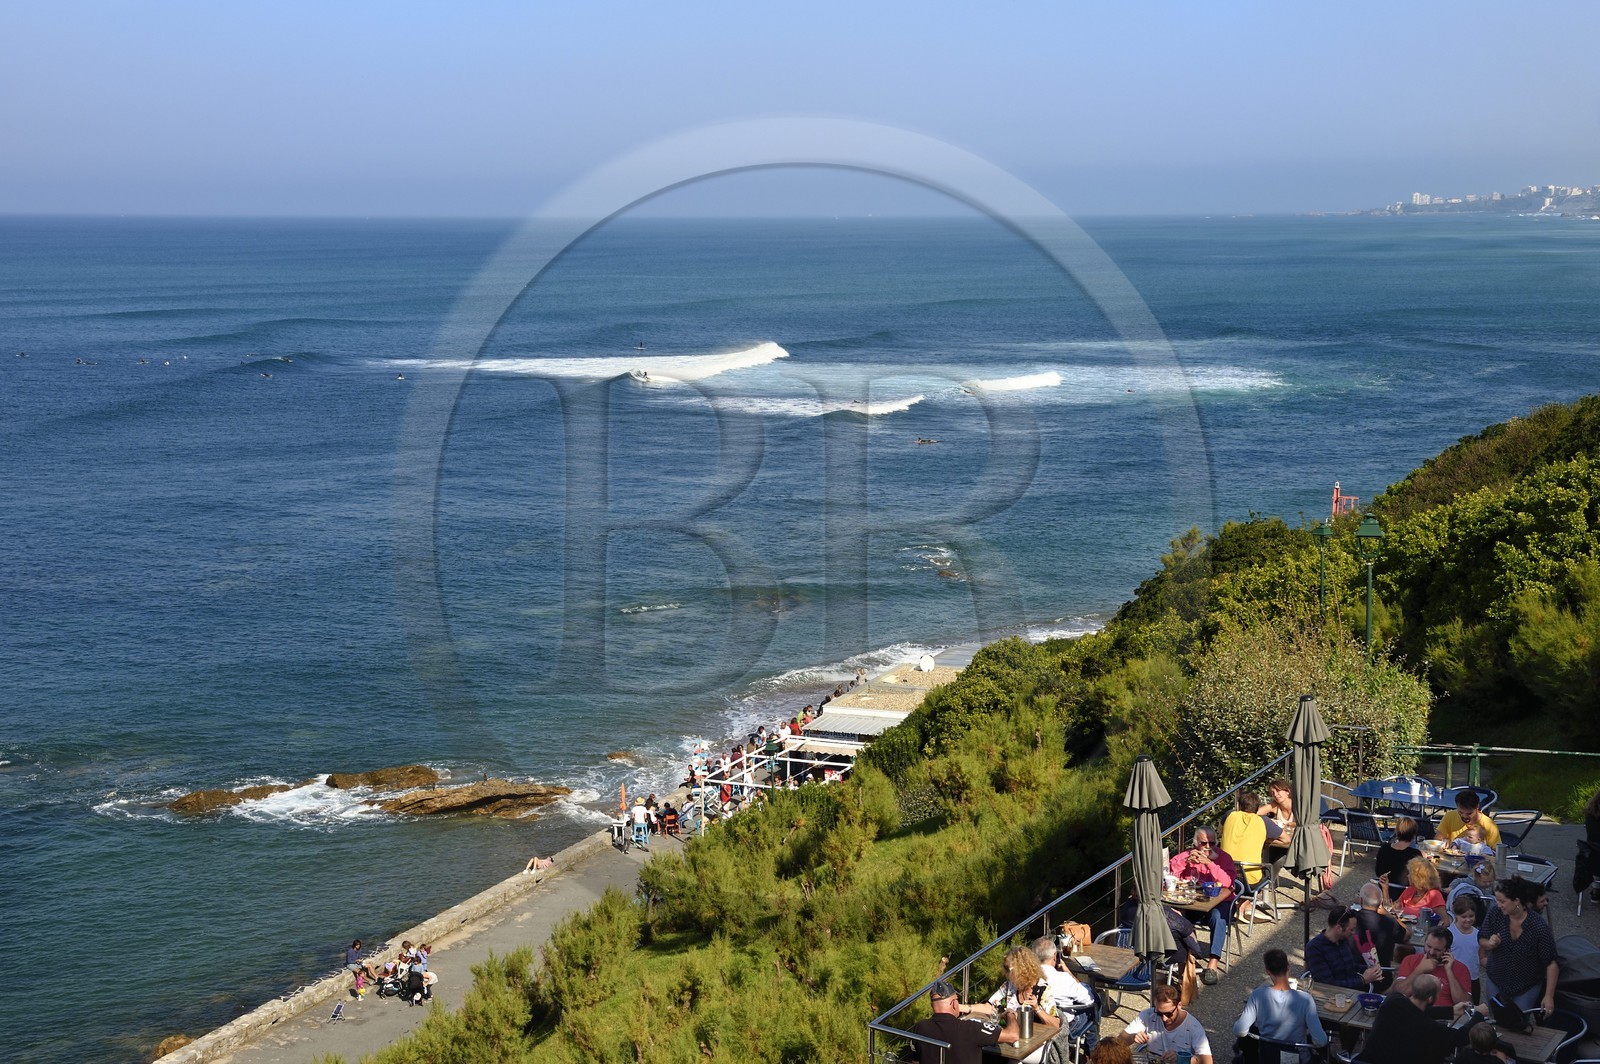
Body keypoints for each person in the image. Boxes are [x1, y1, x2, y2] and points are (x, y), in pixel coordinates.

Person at [966, 947, 1064, 1063]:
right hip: (1011, 1039)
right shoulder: (1010, 985)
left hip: (1037, 1044)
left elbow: (1056, 1024)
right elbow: (989, 1006)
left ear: (1022, 969)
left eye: (1008, 969)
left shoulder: (1042, 989)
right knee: (982, 1049)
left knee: (1013, 1059)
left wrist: (1037, 1008)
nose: (1006, 973)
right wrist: (961, 1007)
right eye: (1005, 968)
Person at [1168, 825, 1237, 984]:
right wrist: (1185, 862)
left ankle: (1213, 962)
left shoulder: (1224, 858)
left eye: (1212, 843)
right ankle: (1185, 958)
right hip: (1193, 903)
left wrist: (1209, 863)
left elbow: (1227, 882)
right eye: (1203, 843)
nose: (1207, 847)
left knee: (1218, 917)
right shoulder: (1187, 855)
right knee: (1177, 916)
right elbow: (1170, 876)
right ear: (1195, 843)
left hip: (1220, 903)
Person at [1362, 974, 1484, 1064]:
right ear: (1430, 999)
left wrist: (1450, 1011)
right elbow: (1460, 1037)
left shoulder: (1392, 1000)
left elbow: (1412, 1009)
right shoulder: (1428, 1027)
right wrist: (1479, 1014)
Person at [1480, 877, 1557, 1014]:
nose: (1498, 905)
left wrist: (1548, 996)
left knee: (1519, 1021)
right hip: (1496, 979)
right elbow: (1482, 938)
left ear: (1516, 901)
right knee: (1495, 1019)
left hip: (1526, 986)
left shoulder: (1538, 927)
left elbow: (1551, 963)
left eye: (1502, 901)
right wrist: (1490, 944)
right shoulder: (1495, 913)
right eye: (1497, 900)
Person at [1233, 948, 1327, 1059]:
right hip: (1297, 1058)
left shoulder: (1257, 995)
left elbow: (1240, 1031)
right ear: (1288, 967)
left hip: (1268, 1058)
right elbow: (1321, 1041)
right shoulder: (1305, 999)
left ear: (1267, 971)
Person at [910, 978, 1017, 1064]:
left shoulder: (919, 1028)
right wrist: (1010, 1014)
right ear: (954, 1004)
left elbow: (915, 1061)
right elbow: (1013, 1036)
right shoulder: (970, 1028)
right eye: (957, 1000)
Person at [1032, 936, 1099, 1053]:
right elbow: (1089, 999)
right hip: (1066, 1027)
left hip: (1037, 1022)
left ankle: (1088, 1049)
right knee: (1095, 1005)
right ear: (1055, 956)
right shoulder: (1064, 978)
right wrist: (1069, 973)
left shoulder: (1029, 976)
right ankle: (1093, 1051)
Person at [1117, 984, 1214, 1064]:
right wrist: (1133, 1037)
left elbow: (1207, 1061)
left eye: (1168, 1014)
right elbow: (1119, 1042)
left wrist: (1181, 1059)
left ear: (1179, 1005)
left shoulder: (1193, 1027)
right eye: (1159, 1013)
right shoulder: (1148, 1015)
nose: (1164, 1018)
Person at [1222, 790, 1283, 908]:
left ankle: (1241, 905)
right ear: (1258, 807)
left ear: (1239, 805)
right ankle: (1243, 905)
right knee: (1269, 868)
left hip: (1224, 875)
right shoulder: (1263, 821)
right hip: (1249, 882)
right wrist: (1264, 839)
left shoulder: (1229, 815)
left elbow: (1220, 830)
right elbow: (1286, 839)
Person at [1305, 908, 1383, 989]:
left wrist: (1370, 970)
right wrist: (1363, 980)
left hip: (1354, 989)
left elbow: (1349, 965)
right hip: (1335, 993)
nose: (1354, 933)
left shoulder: (1343, 940)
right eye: (1351, 929)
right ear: (1338, 928)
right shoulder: (1315, 948)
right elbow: (1328, 984)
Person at [1394, 927, 1472, 1007]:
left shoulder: (1461, 968)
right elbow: (1399, 993)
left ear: (1447, 950)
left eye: (1437, 950)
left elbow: (1465, 1003)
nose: (1431, 952)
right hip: (1414, 1010)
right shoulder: (1410, 960)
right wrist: (1419, 970)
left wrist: (1449, 971)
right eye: (1428, 946)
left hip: (1444, 1012)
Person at [1354, 881, 1406, 986]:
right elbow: (1407, 935)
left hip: (1353, 976)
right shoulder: (1389, 922)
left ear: (1361, 900)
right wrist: (1389, 915)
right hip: (1383, 979)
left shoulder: (1349, 919)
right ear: (1380, 902)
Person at [1375, 817, 1420, 900]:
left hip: (1383, 889)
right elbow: (1418, 879)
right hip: (1405, 894)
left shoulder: (1384, 848)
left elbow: (1378, 872)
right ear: (1414, 836)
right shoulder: (1414, 854)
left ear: (1396, 832)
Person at [1437, 791, 1501, 848]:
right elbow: (1437, 840)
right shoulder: (1450, 816)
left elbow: (1496, 852)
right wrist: (1443, 842)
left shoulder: (1489, 825)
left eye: (1469, 813)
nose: (1464, 816)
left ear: (1477, 807)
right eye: (1460, 812)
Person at [1449, 893, 1483, 1001]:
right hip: (1454, 977)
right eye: (1464, 917)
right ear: (1456, 915)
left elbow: (1481, 956)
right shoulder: (1449, 933)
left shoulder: (1479, 934)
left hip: (1473, 977)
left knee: (1474, 1005)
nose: (1468, 919)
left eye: (1471, 916)